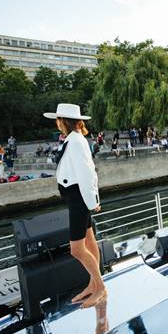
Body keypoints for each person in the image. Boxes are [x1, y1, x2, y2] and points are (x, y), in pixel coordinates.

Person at [43, 103, 106, 308]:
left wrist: (92, 201)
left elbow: (88, 173)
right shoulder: (72, 140)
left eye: (58, 119)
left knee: (77, 249)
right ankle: (93, 284)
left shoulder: (77, 141)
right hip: (75, 198)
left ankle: (100, 287)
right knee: (89, 241)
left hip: (79, 198)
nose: (56, 123)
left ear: (63, 121)